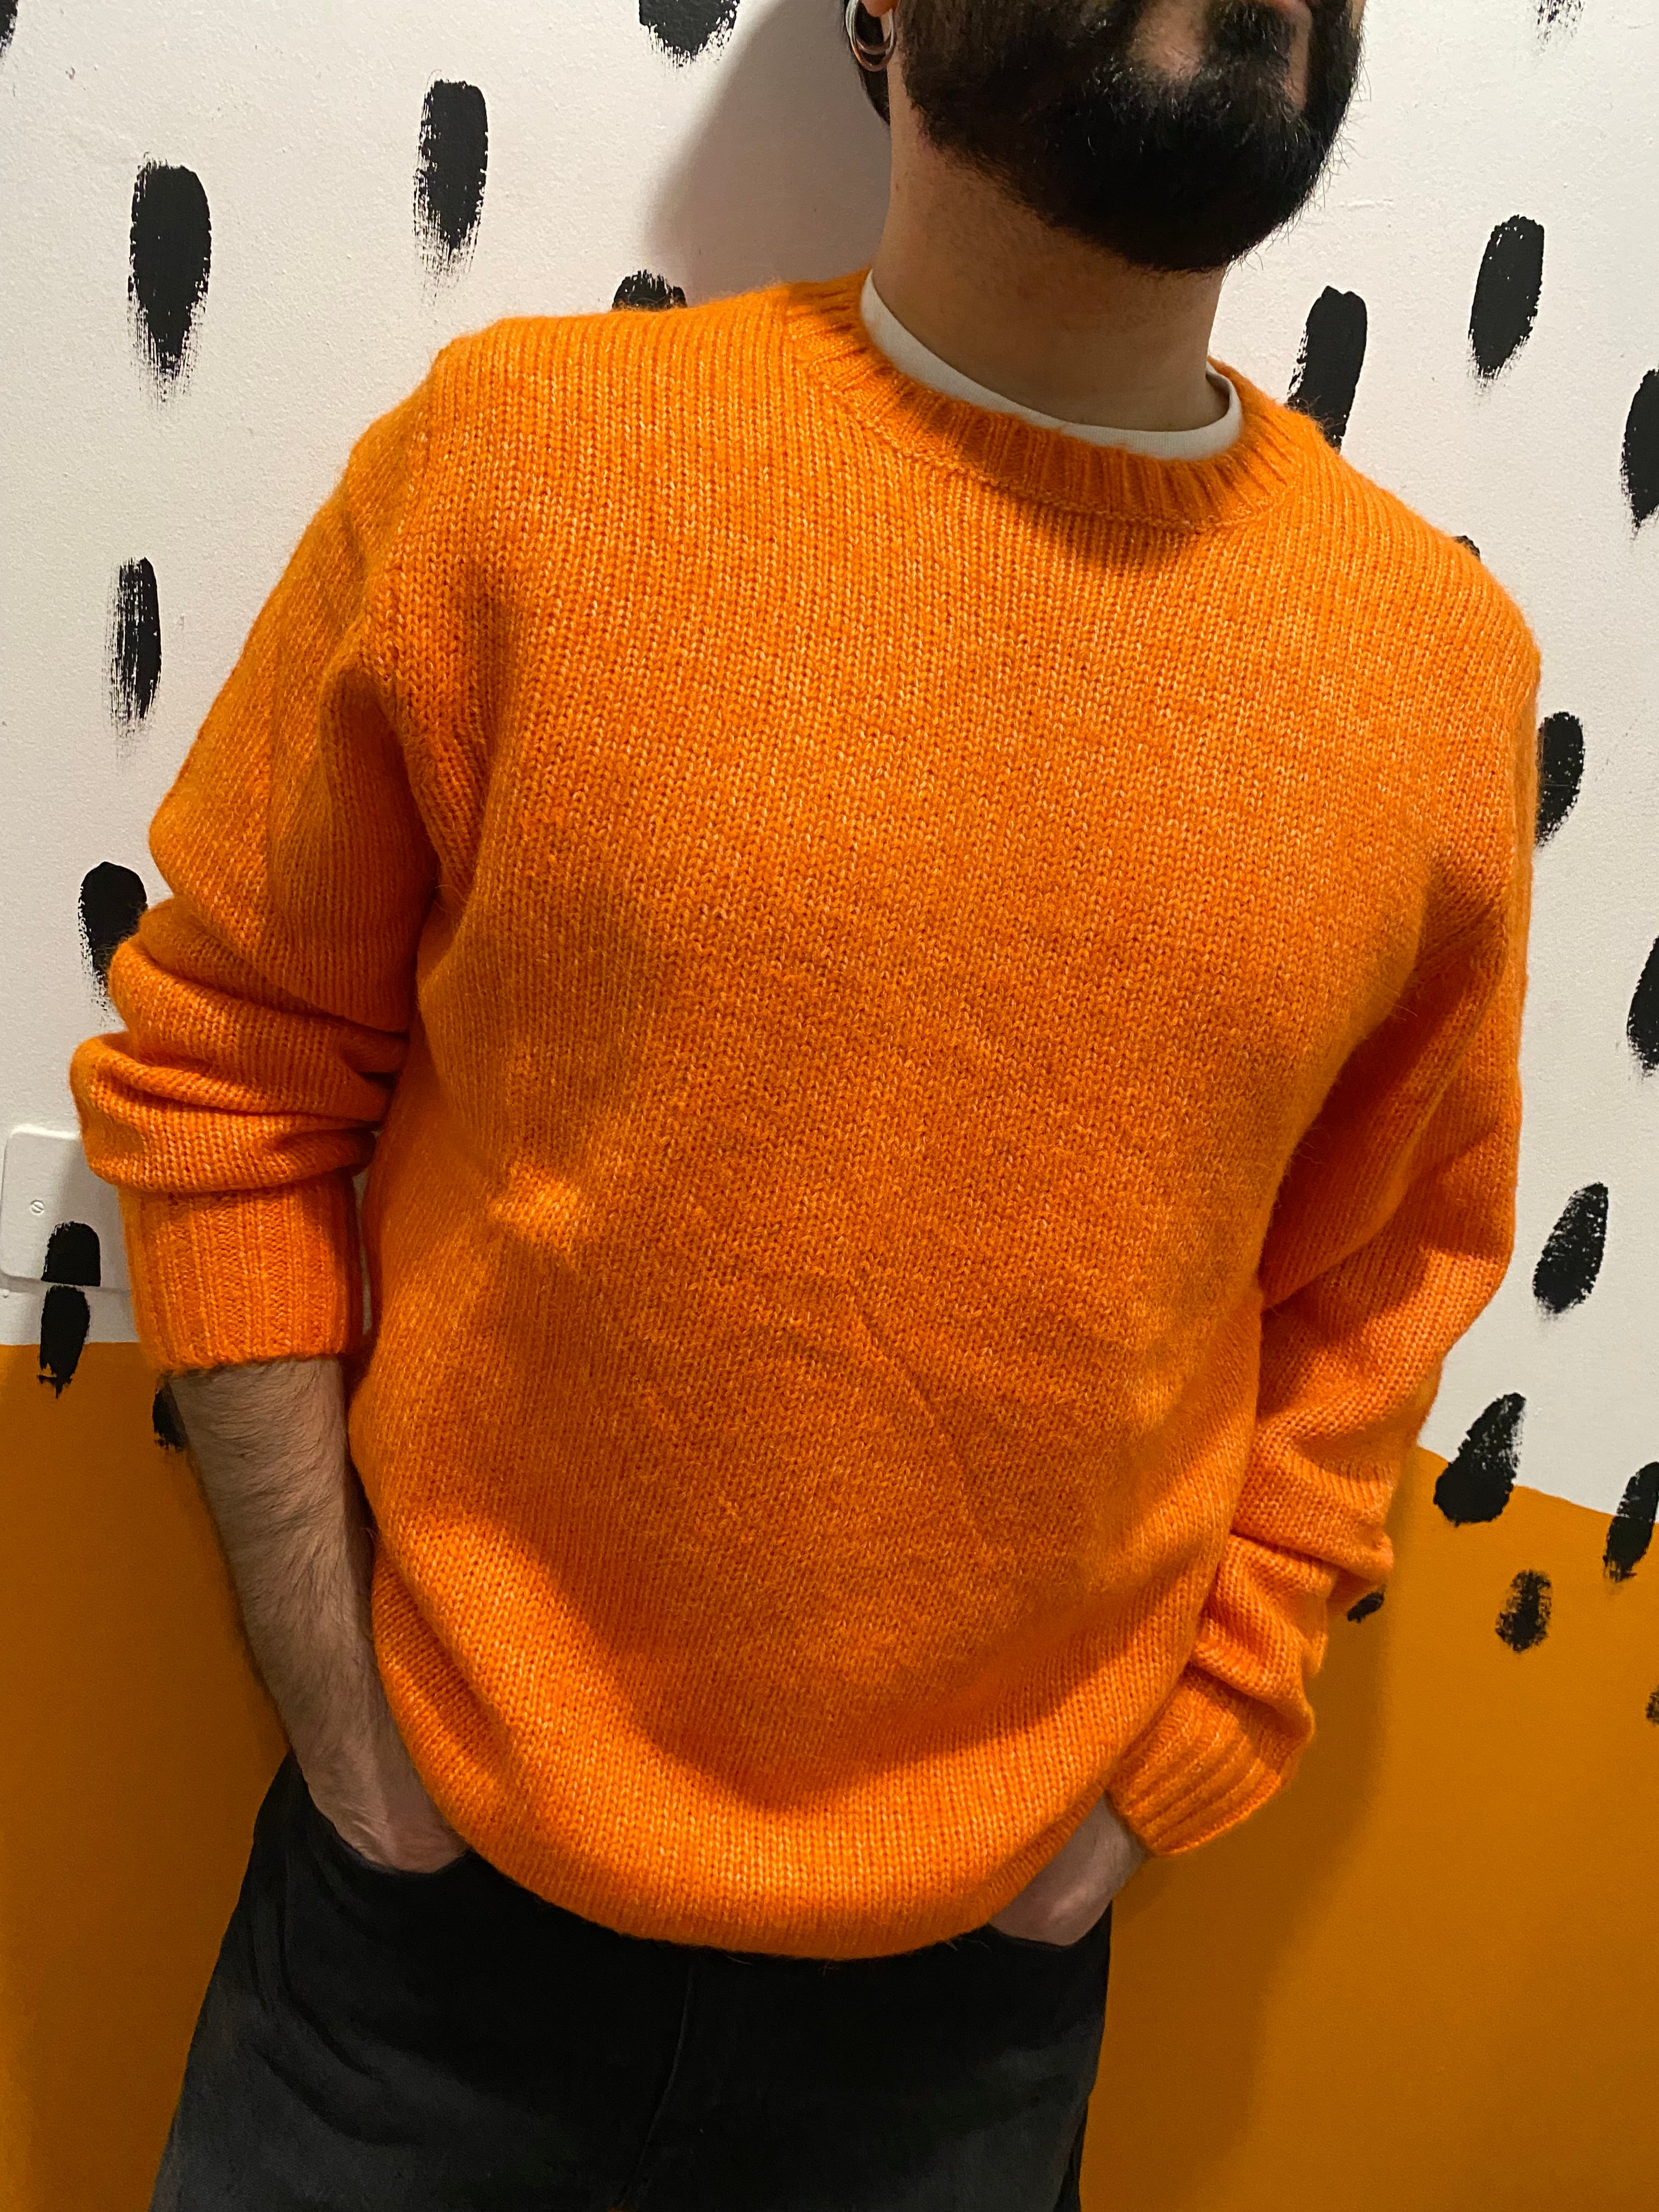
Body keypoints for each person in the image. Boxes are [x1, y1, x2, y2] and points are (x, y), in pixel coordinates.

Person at [70, 1, 1539, 2206]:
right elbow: (227, 1068)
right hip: (415, 1953)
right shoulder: (523, 469)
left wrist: (1169, 1775)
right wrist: (351, 1740)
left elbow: (1386, 1281)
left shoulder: (1434, 671)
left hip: (966, 2029)